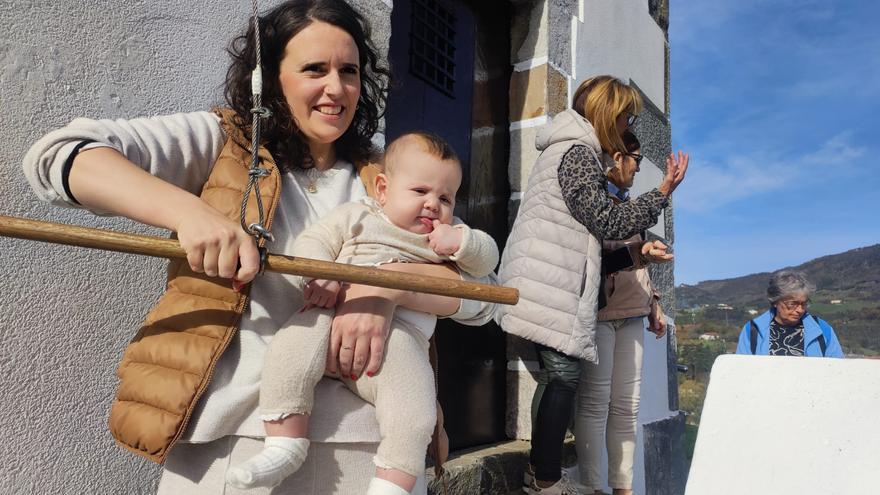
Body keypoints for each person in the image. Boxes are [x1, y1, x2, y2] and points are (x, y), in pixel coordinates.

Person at [21, 1, 496, 493]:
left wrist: (381, 290)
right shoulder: (223, 143)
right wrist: (189, 213)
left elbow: (481, 297)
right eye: (315, 69)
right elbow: (60, 157)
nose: (336, 89)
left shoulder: (386, 172)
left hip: (371, 451)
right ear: (271, 77)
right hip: (235, 446)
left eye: (349, 71)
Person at [225, 132, 499, 494]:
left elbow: (488, 267)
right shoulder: (358, 215)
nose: (433, 205)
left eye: (445, 198)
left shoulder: (447, 237)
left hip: (396, 342)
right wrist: (321, 274)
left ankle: (392, 485)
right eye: (420, 192)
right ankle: (284, 444)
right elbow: (314, 242)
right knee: (289, 350)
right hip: (328, 311)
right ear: (383, 190)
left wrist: (463, 243)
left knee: (415, 410)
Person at [496, 75, 689, 495]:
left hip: (549, 277)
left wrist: (638, 255)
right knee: (564, 378)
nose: (628, 125)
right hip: (548, 279)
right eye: (626, 115)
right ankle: (544, 480)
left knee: (557, 378)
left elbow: (599, 243)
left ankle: (540, 475)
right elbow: (608, 220)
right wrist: (662, 193)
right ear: (608, 112)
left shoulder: (569, 149)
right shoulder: (577, 152)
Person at [574, 130, 669, 495]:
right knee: (597, 403)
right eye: (637, 161)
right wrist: (639, 254)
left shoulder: (629, 203)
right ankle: (593, 487)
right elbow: (596, 262)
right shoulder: (593, 202)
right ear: (617, 159)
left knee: (628, 406)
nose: (637, 169)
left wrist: (654, 301)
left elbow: (641, 262)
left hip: (632, 312)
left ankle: (623, 488)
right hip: (600, 315)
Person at [736, 270, 843, 358]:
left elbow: (837, 370)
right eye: (792, 304)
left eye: (804, 304)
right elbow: (742, 373)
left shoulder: (822, 329)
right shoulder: (752, 330)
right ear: (775, 301)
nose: (800, 310)